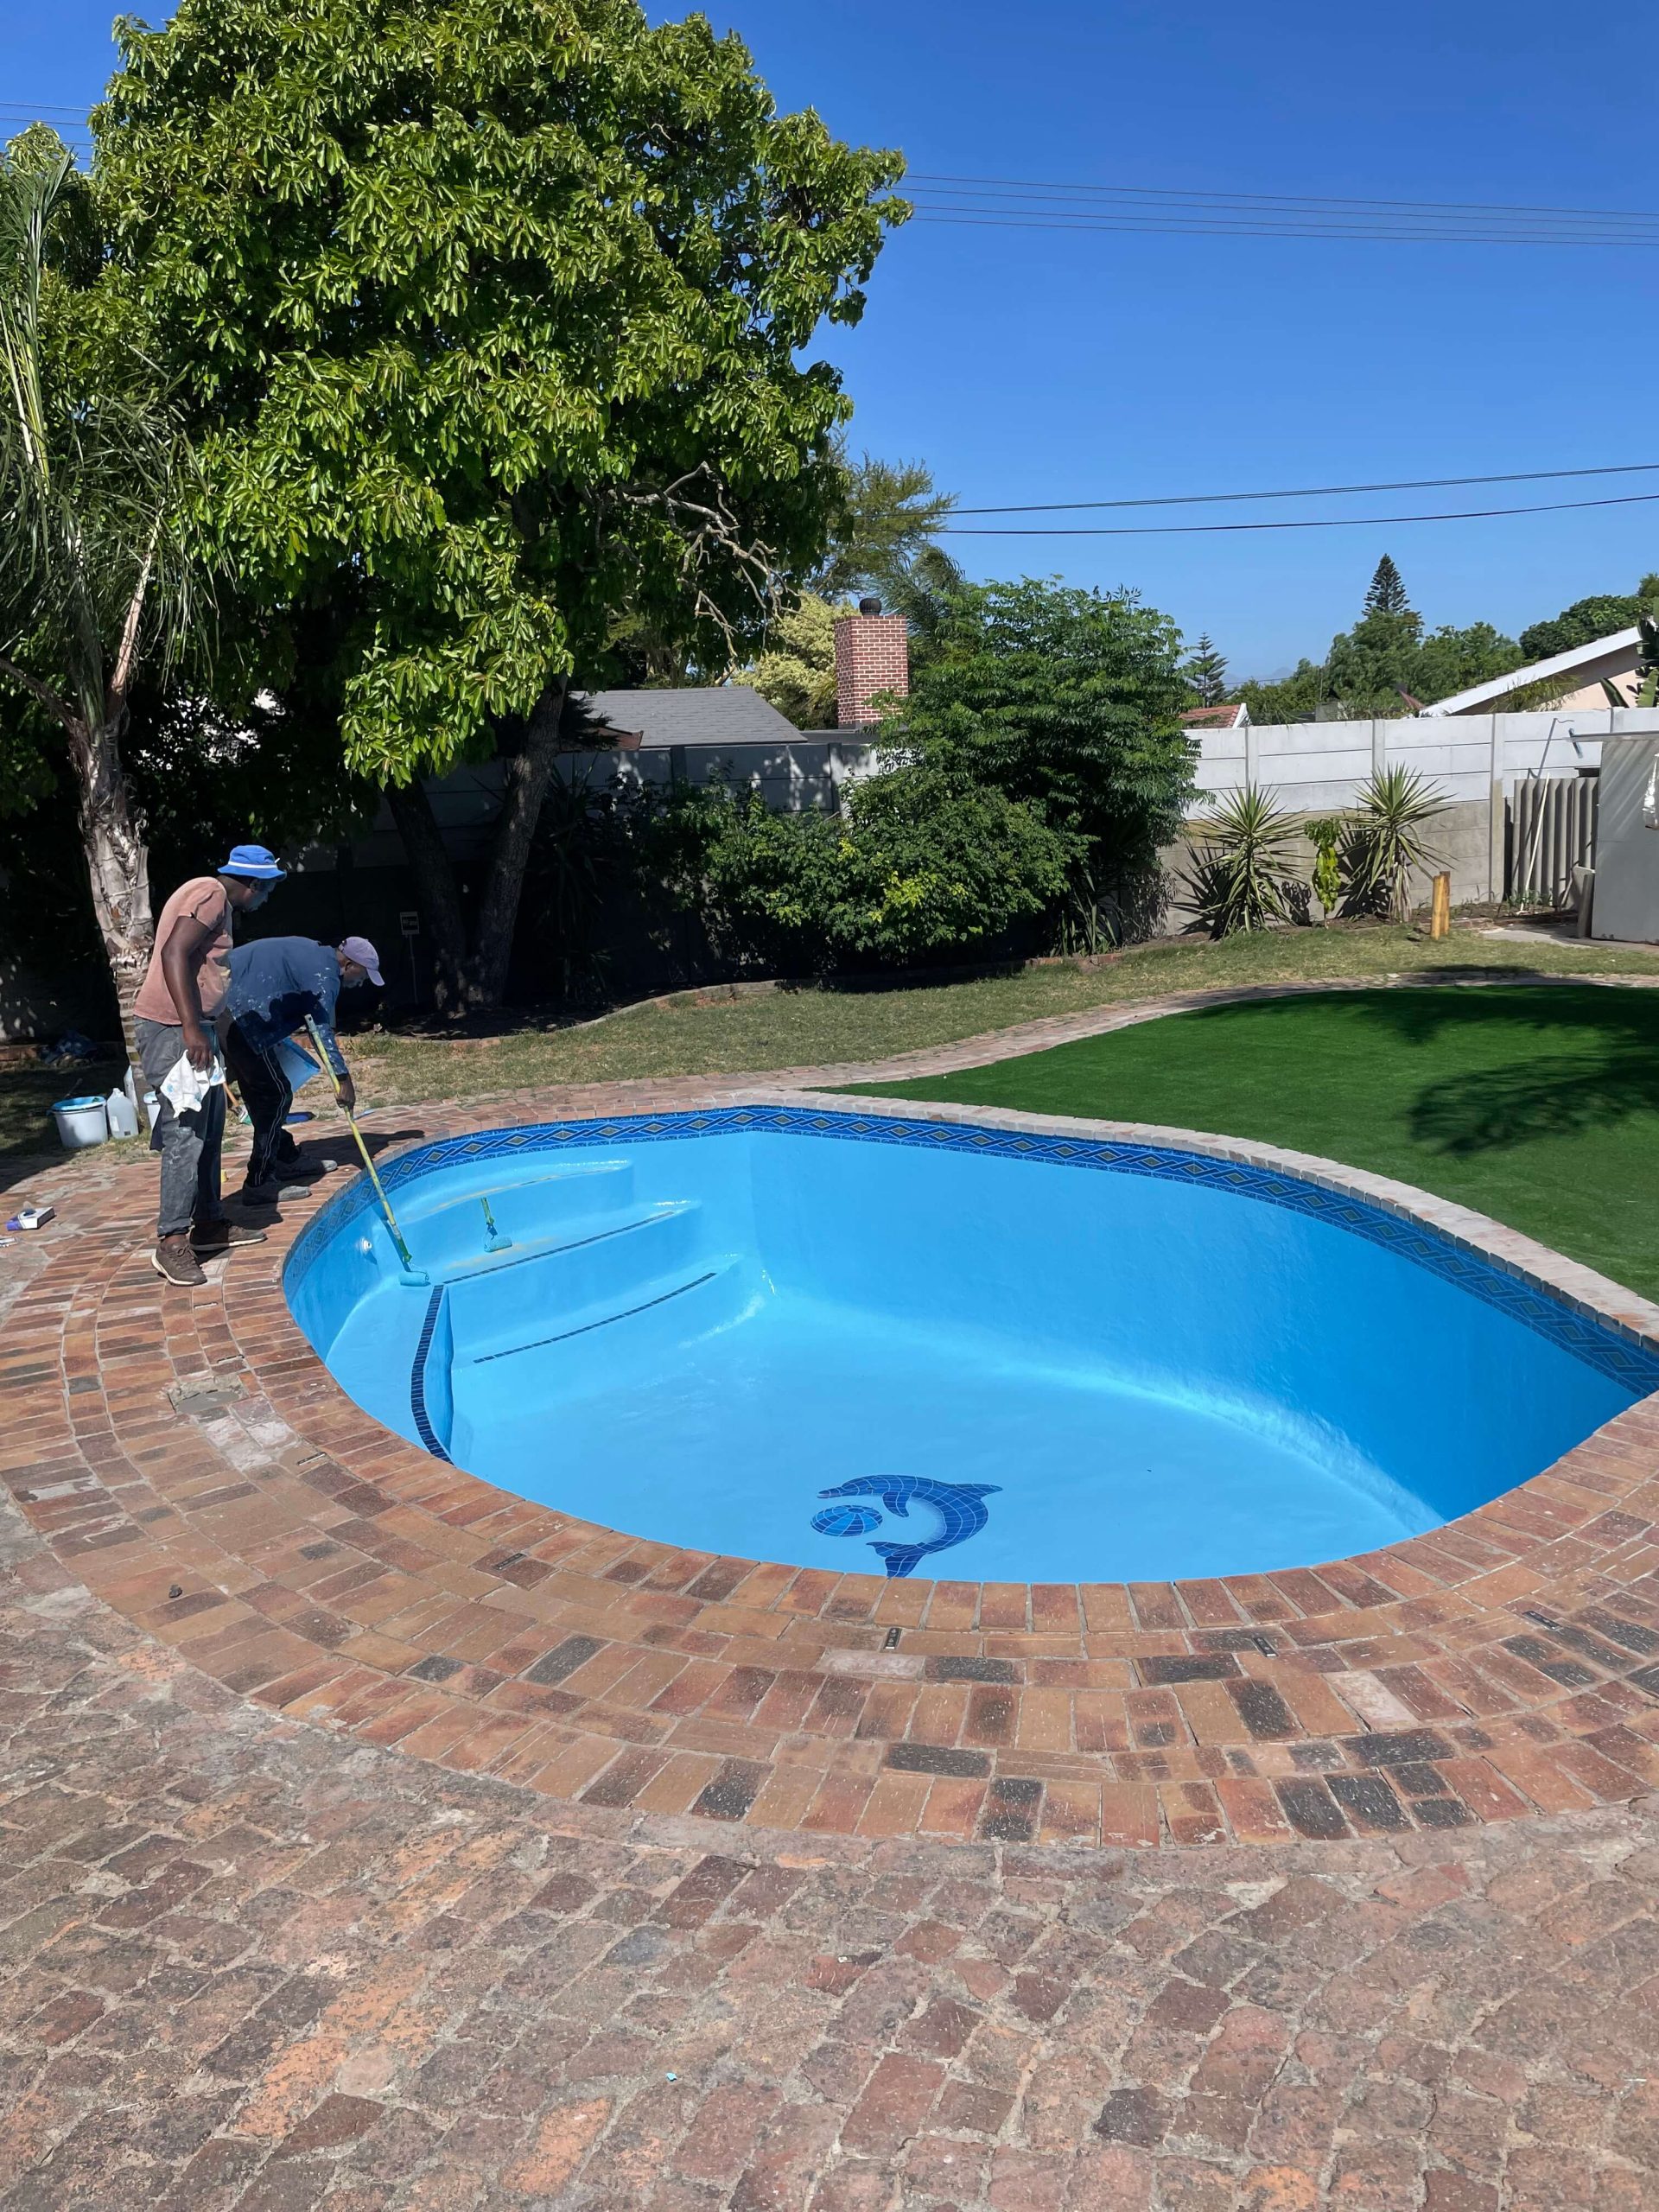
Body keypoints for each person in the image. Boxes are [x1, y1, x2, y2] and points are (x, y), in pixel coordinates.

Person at [133, 843, 287, 1287]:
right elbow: (173, 954)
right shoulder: (210, 893)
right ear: (254, 883)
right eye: (267, 890)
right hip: (171, 1029)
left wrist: (209, 1030)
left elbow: (204, 969)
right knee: (186, 1133)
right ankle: (172, 1241)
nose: (264, 899)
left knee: (210, 1128)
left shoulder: (215, 900)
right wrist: (190, 1029)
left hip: (193, 1027)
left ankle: (208, 1224)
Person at [221, 935, 383, 1202]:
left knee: (265, 1092)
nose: (362, 982)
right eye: (363, 974)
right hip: (237, 1015)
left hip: (236, 1008)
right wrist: (343, 1079)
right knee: (275, 1095)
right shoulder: (326, 975)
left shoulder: (317, 955)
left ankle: (283, 1155)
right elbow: (320, 1030)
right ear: (350, 964)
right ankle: (259, 1181)